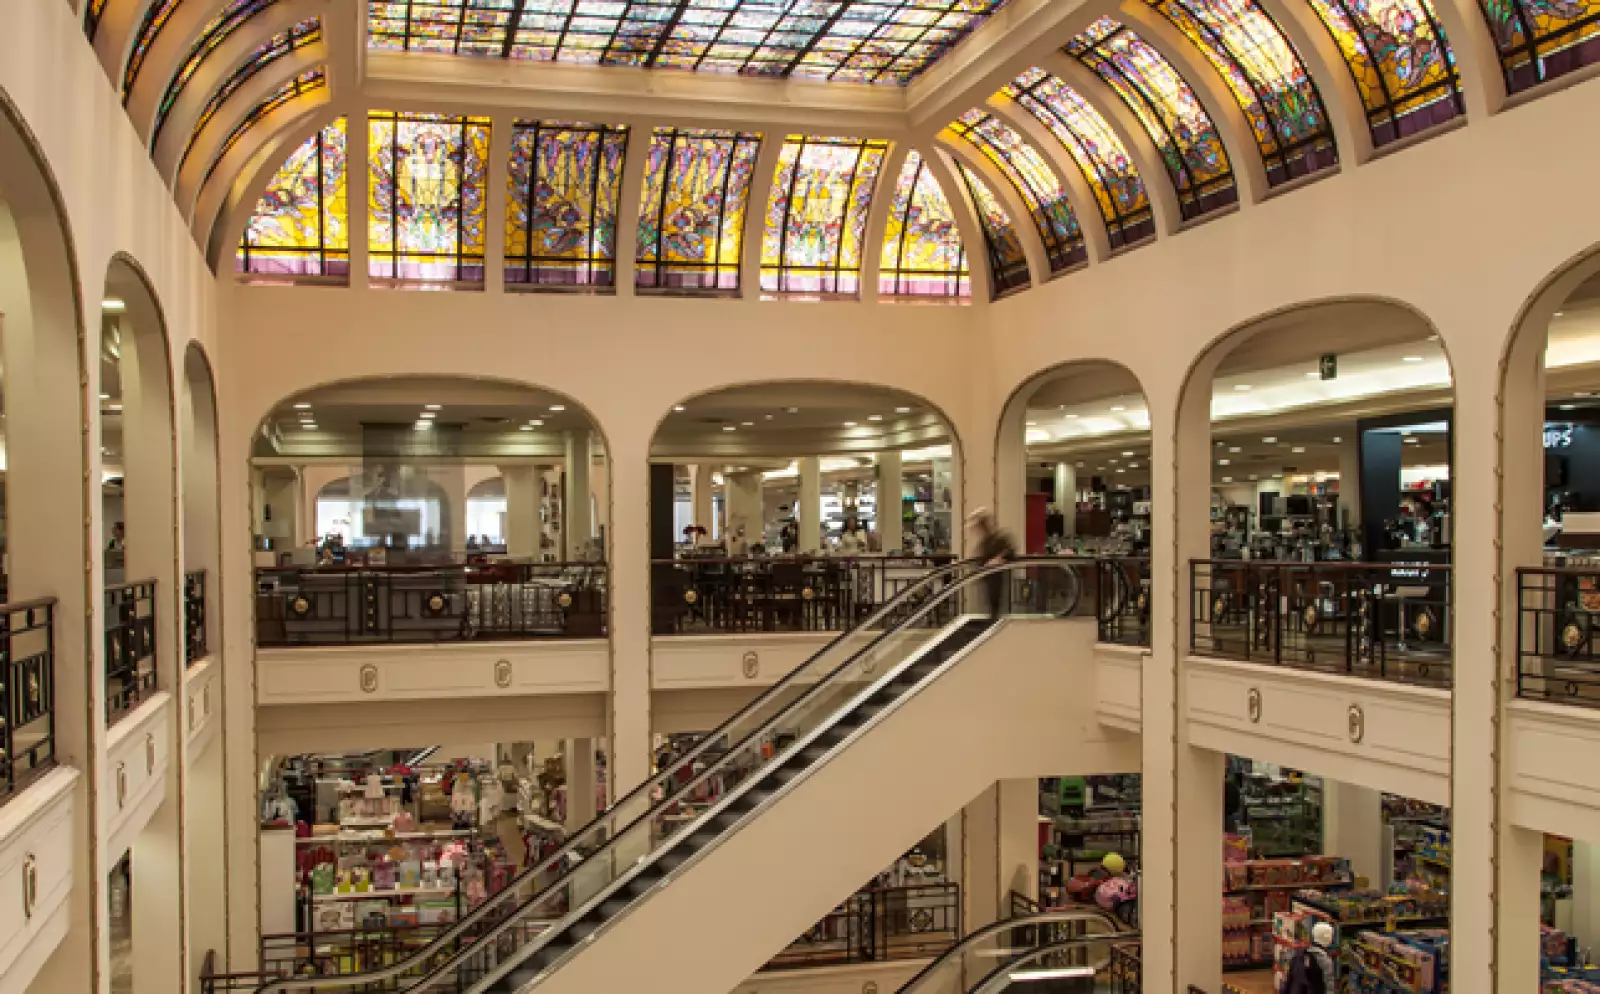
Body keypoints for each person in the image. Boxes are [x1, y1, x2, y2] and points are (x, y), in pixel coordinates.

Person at [967, 509, 1016, 620]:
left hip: (997, 580)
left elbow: (1010, 552)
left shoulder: (998, 540)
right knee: (991, 607)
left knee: (996, 607)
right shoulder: (985, 543)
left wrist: (997, 559)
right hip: (989, 581)